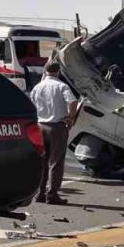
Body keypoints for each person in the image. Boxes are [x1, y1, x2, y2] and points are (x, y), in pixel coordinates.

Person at [29, 61, 78, 204]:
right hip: (56, 127)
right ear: (58, 72)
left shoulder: (38, 87)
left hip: (40, 126)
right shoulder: (61, 86)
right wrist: (71, 118)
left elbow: (32, 104)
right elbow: (73, 102)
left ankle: (40, 193)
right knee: (56, 162)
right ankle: (52, 194)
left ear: (45, 71)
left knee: (42, 161)